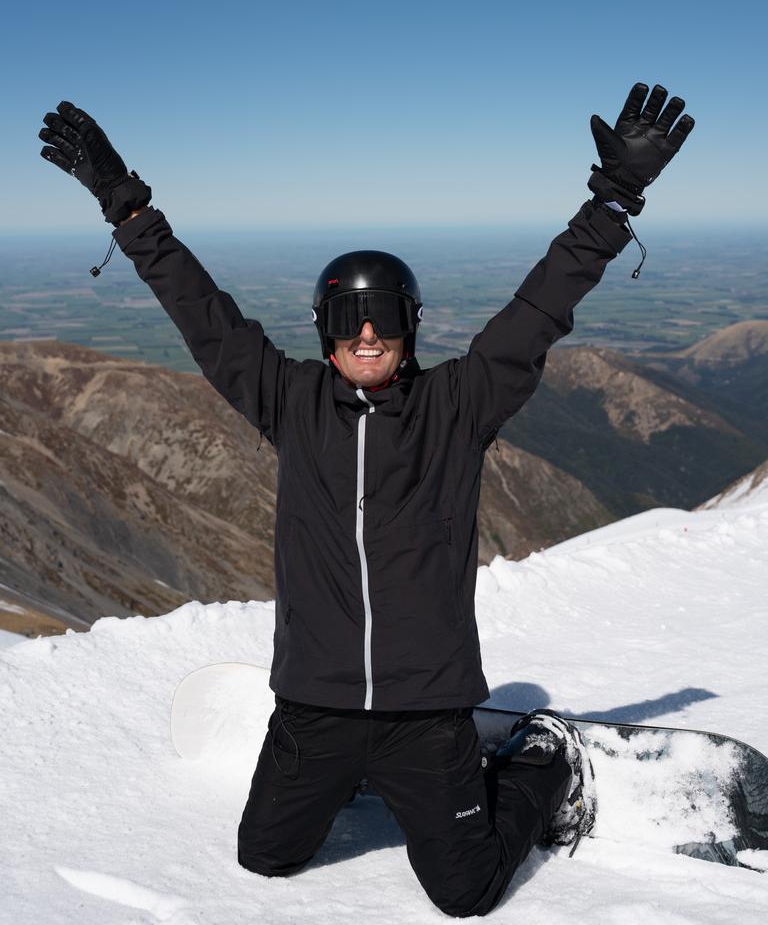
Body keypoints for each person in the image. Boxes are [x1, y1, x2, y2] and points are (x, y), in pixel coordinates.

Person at [39, 84, 694, 916]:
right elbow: (203, 316)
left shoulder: (459, 406)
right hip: (315, 703)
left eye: (383, 316)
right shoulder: (290, 400)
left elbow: (540, 310)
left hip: (427, 711)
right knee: (264, 859)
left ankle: (542, 761)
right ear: (326, 330)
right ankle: (347, 781)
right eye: (350, 318)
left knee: (466, 895)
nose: (368, 335)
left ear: (410, 326)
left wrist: (612, 202)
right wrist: (125, 205)